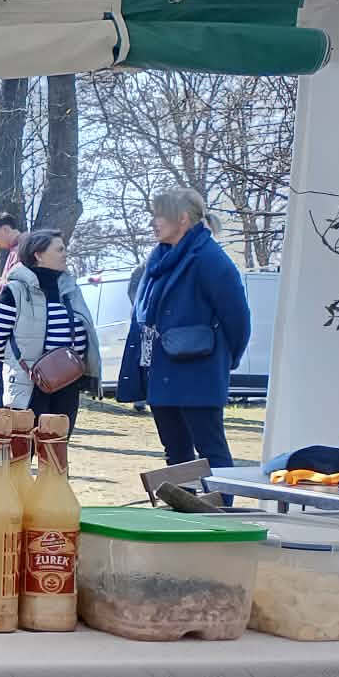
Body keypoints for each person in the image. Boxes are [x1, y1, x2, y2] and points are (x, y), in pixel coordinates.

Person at [118, 186, 251, 471]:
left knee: (211, 451)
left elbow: (238, 319)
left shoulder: (209, 259)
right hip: (160, 371)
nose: (153, 222)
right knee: (176, 453)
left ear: (182, 219)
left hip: (198, 372)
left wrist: (224, 359)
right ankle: (182, 500)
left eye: (160, 215)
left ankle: (222, 500)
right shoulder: (158, 260)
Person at [0, 227, 100, 434]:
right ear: (38, 255)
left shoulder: (70, 289)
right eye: (59, 249)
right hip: (28, 384)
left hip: (67, 383)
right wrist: (23, 364)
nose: (65, 254)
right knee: (25, 447)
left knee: (56, 446)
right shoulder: (15, 290)